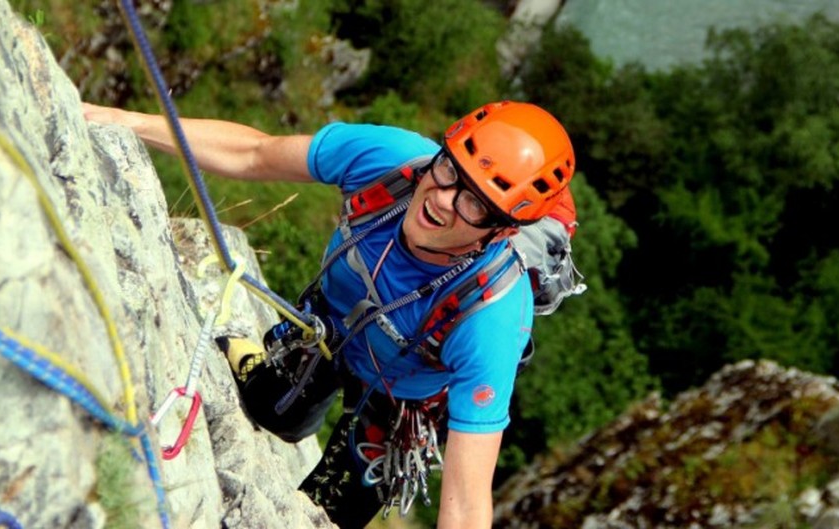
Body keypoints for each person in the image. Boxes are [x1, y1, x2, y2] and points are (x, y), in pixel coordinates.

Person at [83, 100, 576, 529]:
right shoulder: (390, 162)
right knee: (273, 408)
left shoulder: (489, 318)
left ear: (502, 233)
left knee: (326, 515)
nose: (442, 201)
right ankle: (258, 361)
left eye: (475, 204)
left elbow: (468, 506)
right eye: (450, 171)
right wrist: (123, 121)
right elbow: (255, 151)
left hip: (403, 399)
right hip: (329, 327)